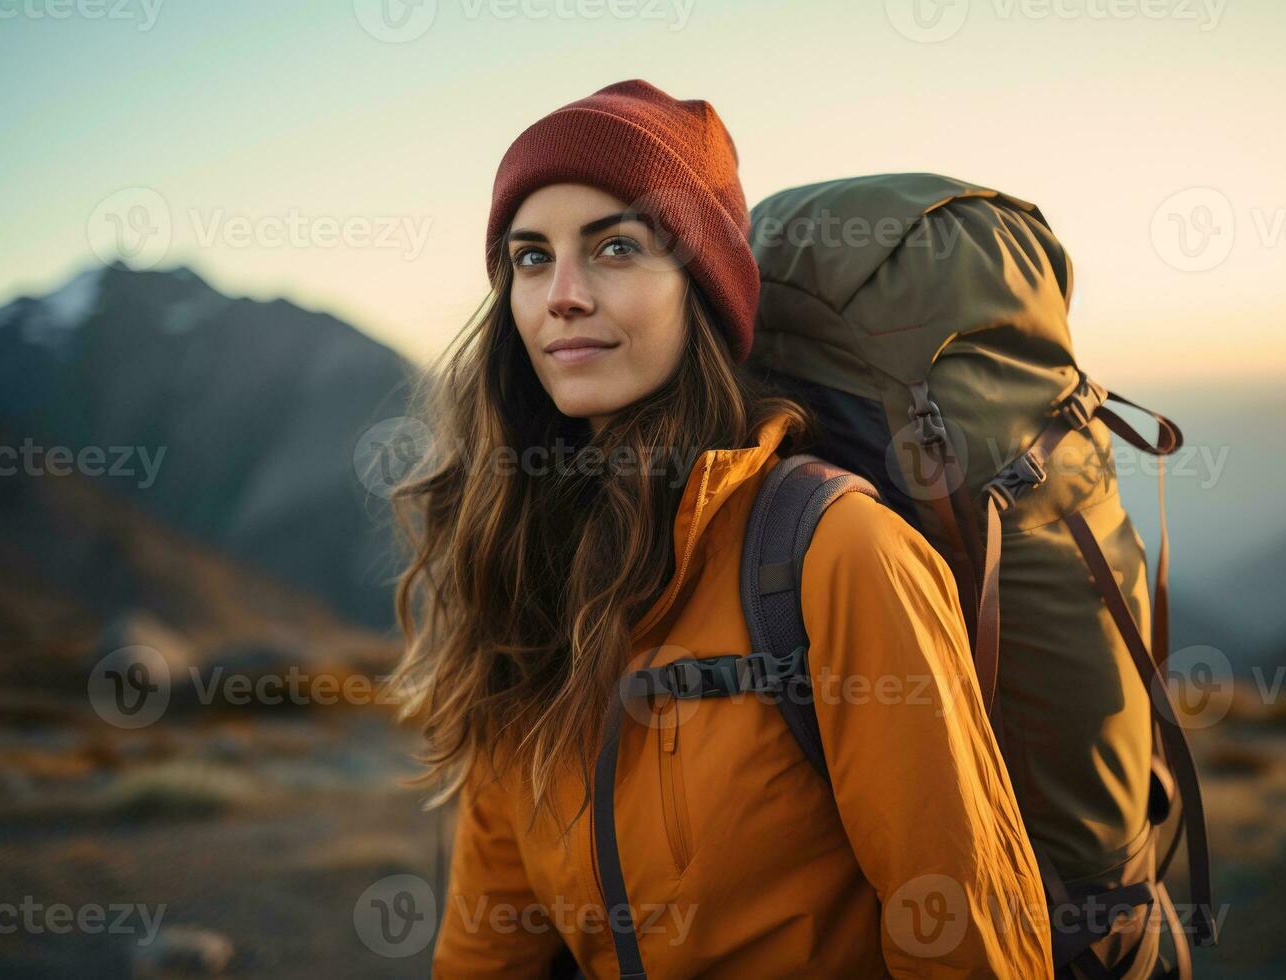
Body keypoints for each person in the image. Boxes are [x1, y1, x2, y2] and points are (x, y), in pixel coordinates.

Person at [387, 78, 1053, 979]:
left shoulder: (834, 553)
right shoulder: (521, 567)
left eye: (616, 247)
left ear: (700, 289)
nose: (563, 295)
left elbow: (966, 938)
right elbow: (488, 939)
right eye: (531, 257)